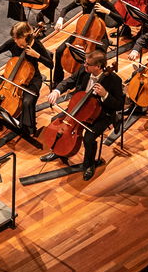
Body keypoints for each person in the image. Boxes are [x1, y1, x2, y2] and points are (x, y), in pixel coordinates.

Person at [42, 50, 128, 180]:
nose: (84, 65)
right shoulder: (84, 70)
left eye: (88, 64)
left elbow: (119, 104)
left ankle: (89, 165)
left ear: (98, 66)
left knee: (88, 138)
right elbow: (70, 80)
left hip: (101, 114)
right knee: (57, 122)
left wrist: (105, 95)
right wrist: (57, 91)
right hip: (79, 107)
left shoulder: (114, 80)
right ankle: (59, 151)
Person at [0, 21, 60, 132]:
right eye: (14, 38)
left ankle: (27, 127)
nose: (15, 41)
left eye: (17, 38)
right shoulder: (13, 42)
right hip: (12, 75)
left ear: (25, 36)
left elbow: (51, 64)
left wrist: (38, 55)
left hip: (32, 78)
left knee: (26, 102)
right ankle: (0, 119)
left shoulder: (37, 45)